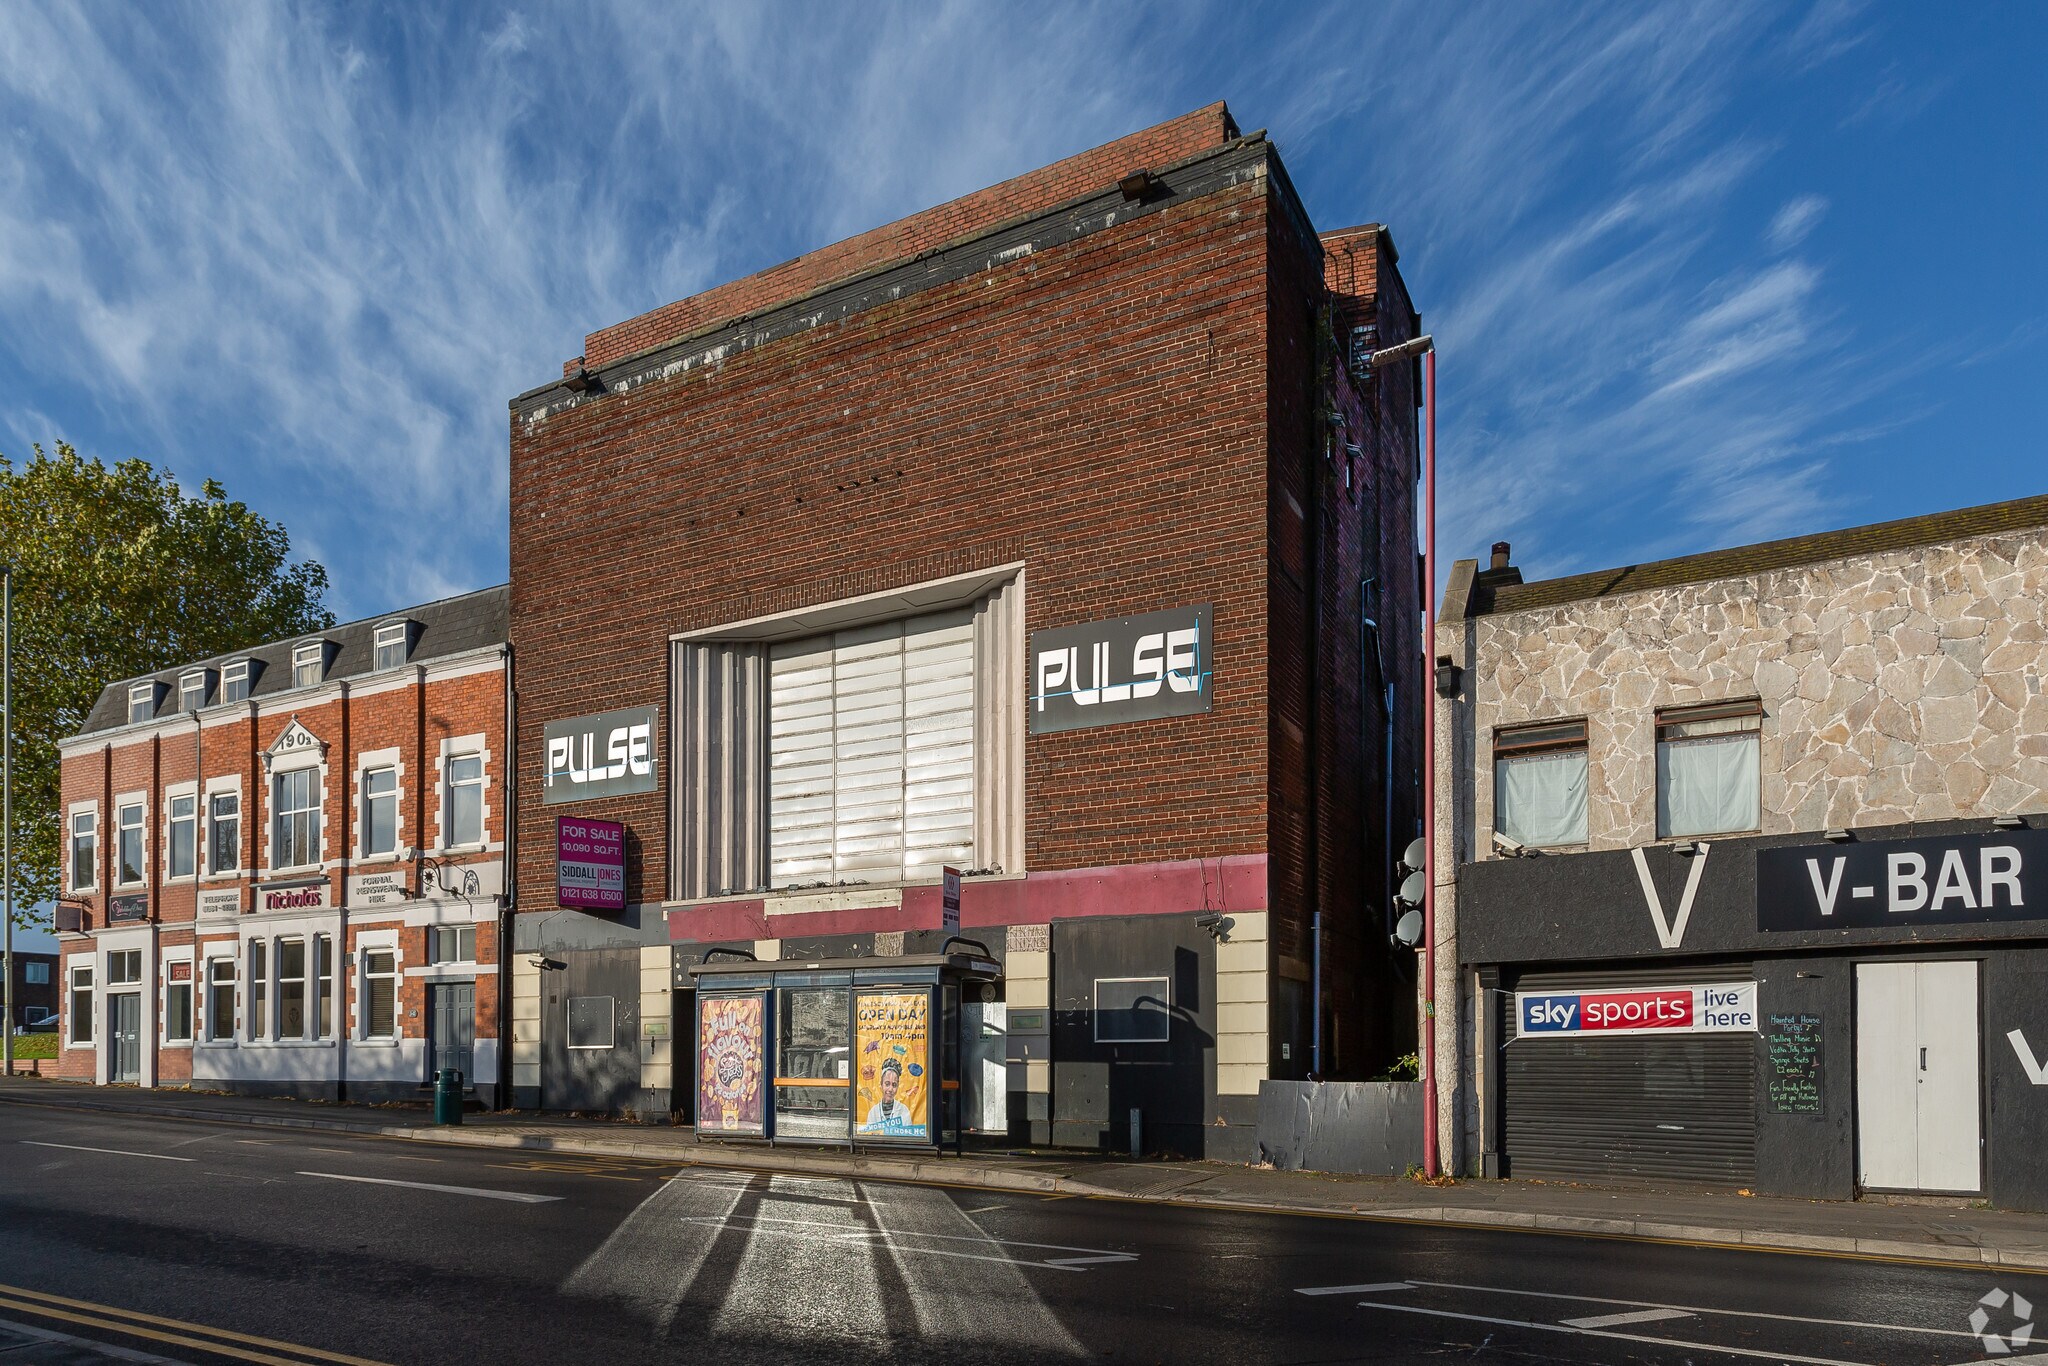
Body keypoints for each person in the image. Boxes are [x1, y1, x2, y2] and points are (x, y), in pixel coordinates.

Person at [862, 1056, 913, 1132]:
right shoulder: (873, 1112)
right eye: (887, 1084)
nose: (890, 1089)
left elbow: (909, 1136)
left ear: (898, 1086)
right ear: (881, 1084)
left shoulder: (904, 1110)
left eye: (894, 1085)